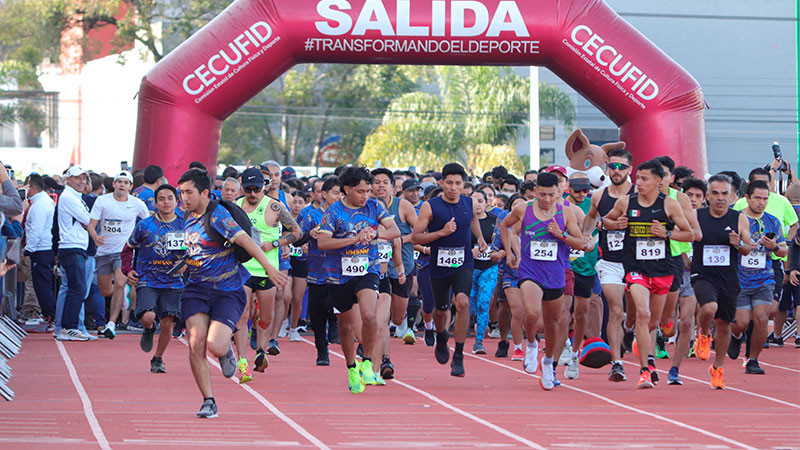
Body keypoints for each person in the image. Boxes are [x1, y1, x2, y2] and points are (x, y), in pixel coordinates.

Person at [178, 168, 288, 418]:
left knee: (214, 345)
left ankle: (225, 350)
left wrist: (269, 267)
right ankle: (208, 400)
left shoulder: (217, 215)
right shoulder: (187, 216)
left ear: (204, 192)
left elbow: (246, 242)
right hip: (196, 289)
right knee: (195, 343)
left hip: (227, 290)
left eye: (188, 192)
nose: (183, 198)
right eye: (181, 192)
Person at [604, 159, 694, 389]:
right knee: (643, 314)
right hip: (636, 268)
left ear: (658, 181)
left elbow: (689, 234)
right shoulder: (626, 201)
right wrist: (616, 225)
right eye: (638, 178)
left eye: (644, 179)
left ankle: (644, 338)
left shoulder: (670, 205)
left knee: (658, 321)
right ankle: (644, 370)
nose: (639, 183)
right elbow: (606, 220)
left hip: (662, 268)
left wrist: (666, 233)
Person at [500, 172, 590, 390]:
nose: (547, 199)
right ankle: (531, 343)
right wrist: (510, 252)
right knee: (531, 312)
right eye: (542, 194)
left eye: (551, 194)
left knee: (553, 324)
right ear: (535, 191)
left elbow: (580, 243)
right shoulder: (523, 209)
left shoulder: (566, 213)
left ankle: (548, 363)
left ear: (558, 192)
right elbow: (505, 226)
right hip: (530, 271)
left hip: (555, 273)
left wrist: (561, 235)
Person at [317, 166, 400, 394]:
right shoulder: (333, 212)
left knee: (370, 314)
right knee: (345, 327)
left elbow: (394, 231)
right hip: (339, 275)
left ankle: (367, 362)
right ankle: (351, 366)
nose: (366, 196)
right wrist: (353, 240)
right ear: (347, 190)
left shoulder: (375, 207)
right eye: (361, 192)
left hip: (368, 269)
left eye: (368, 191)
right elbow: (323, 243)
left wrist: (375, 234)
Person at [412, 162, 487, 378]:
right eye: (449, 183)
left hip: (463, 262)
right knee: (441, 310)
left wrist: (480, 238)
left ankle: (460, 354)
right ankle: (442, 336)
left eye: (458, 183)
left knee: (462, 302)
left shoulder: (469, 202)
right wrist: (441, 233)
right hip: (439, 264)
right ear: (442, 183)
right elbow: (416, 237)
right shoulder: (431, 206)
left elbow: (473, 219)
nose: (454, 187)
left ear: (464, 184)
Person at [234, 168, 301, 382]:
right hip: (243, 270)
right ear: (242, 187)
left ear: (264, 186)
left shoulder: (275, 206)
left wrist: (275, 243)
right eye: (248, 190)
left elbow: (296, 232)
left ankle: (261, 351)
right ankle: (243, 362)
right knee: (242, 316)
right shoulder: (235, 207)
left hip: (267, 270)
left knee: (266, 318)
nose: (252, 194)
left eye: (256, 189)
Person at [691, 173, 752, 389]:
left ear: (732, 195)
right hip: (702, 274)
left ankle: (717, 369)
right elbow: (682, 235)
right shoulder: (696, 215)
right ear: (707, 195)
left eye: (724, 194)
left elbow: (748, 248)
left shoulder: (739, 218)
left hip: (728, 277)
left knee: (724, 324)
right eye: (715, 193)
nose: (720, 198)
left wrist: (739, 244)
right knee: (709, 308)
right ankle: (704, 333)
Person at [582, 149, 635, 381]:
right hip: (610, 261)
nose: (616, 171)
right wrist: (586, 236)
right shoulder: (599, 196)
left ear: (630, 170)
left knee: (634, 314)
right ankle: (617, 363)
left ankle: (630, 330)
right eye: (612, 166)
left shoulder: (639, 195)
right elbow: (591, 219)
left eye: (621, 167)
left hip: (637, 261)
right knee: (615, 310)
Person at [123, 185, 185, 373]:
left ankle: (158, 358)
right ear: (156, 202)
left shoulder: (185, 225)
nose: (166, 202)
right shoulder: (145, 225)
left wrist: (187, 264)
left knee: (168, 323)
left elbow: (196, 251)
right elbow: (127, 249)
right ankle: (148, 329)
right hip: (148, 279)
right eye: (162, 199)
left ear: (176, 201)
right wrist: (128, 270)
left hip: (173, 281)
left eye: (169, 198)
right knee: (148, 317)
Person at [727, 180, 786, 374]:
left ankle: (753, 359)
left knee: (762, 317)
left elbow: (784, 250)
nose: (761, 202)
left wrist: (774, 247)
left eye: (765, 199)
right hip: (739, 279)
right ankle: (735, 336)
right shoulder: (736, 218)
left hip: (764, 278)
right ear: (747, 198)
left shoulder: (773, 221)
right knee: (741, 322)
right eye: (757, 198)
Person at [88, 171, 150, 339]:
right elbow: (91, 225)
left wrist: (143, 239)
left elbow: (150, 222)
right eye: (119, 182)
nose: (122, 185)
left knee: (120, 284)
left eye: (125, 182)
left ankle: (111, 324)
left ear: (130, 186)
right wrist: (95, 237)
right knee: (105, 290)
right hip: (103, 252)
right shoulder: (102, 201)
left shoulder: (137, 204)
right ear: (114, 184)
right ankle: (122, 299)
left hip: (123, 252)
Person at [667, 177, 706, 385]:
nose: (692, 199)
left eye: (698, 196)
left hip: (692, 274)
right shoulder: (672, 211)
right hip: (671, 268)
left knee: (686, 320)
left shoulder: (705, 218)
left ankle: (675, 368)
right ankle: (659, 337)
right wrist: (683, 257)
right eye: (689, 195)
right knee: (669, 323)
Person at [301, 177, 342, 365]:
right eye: (335, 193)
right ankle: (321, 348)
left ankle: (335, 327)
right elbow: (296, 238)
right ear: (324, 195)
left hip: (341, 272)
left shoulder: (346, 214)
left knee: (336, 305)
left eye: (342, 193)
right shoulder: (310, 216)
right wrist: (309, 235)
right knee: (317, 311)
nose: (339, 196)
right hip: (317, 272)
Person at [564, 174, 600, 380]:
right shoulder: (559, 206)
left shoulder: (592, 206)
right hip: (563, 266)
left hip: (586, 266)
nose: (581, 194)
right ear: (568, 187)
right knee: (560, 313)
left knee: (581, 314)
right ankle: (562, 347)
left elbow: (598, 230)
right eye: (577, 190)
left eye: (585, 190)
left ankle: (575, 353)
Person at [55, 166, 93, 341]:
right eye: (78, 178)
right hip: (71, 247)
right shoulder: (69, 197)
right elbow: (88, 219)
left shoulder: (74, 197)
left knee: (74, 288)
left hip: (75, 246)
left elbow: (88, 220)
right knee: (77, 288)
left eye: (84, 178)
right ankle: (68, 327)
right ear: (68, 179)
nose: (82, 181)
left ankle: (69, 327)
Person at [468, 189, 498, 354]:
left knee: (483, 303)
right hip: (469, 267)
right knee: (470, 304)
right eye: (473, 201)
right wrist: (468, 251)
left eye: (480, 201)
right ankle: (475, 321)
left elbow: (502, 241)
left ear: (487, 203)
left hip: (489, 267)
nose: (477, 205)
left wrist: (498, 251)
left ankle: (479, 342)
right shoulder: (464, 221)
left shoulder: (495, 220)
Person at [23, 174, 56, 323]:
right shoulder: (43, 201)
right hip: (42, 248)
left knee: (41, 284)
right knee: (42, 284)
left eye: (26, 187)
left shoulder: (39, 205)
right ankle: (48, 315)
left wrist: (29, 249)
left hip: (40, 249)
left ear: (33, 187)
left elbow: (36, 229)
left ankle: (49, 316)